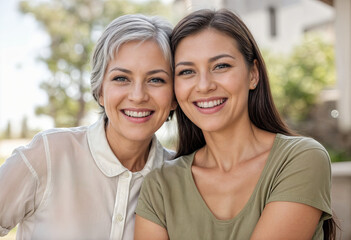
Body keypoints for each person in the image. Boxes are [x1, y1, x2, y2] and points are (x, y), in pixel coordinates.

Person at [134, 9, 336, 240]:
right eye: (187, 71)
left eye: (221, 66)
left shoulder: (300, 159)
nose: (204, 85)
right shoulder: (161, 184)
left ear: (253, 74)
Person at [0, 14, 177, 240]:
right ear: (100, 91)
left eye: (156, 80)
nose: (138, 96)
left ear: (174, 96)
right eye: (122, 78)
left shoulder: (180, 177)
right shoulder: (48, 154)